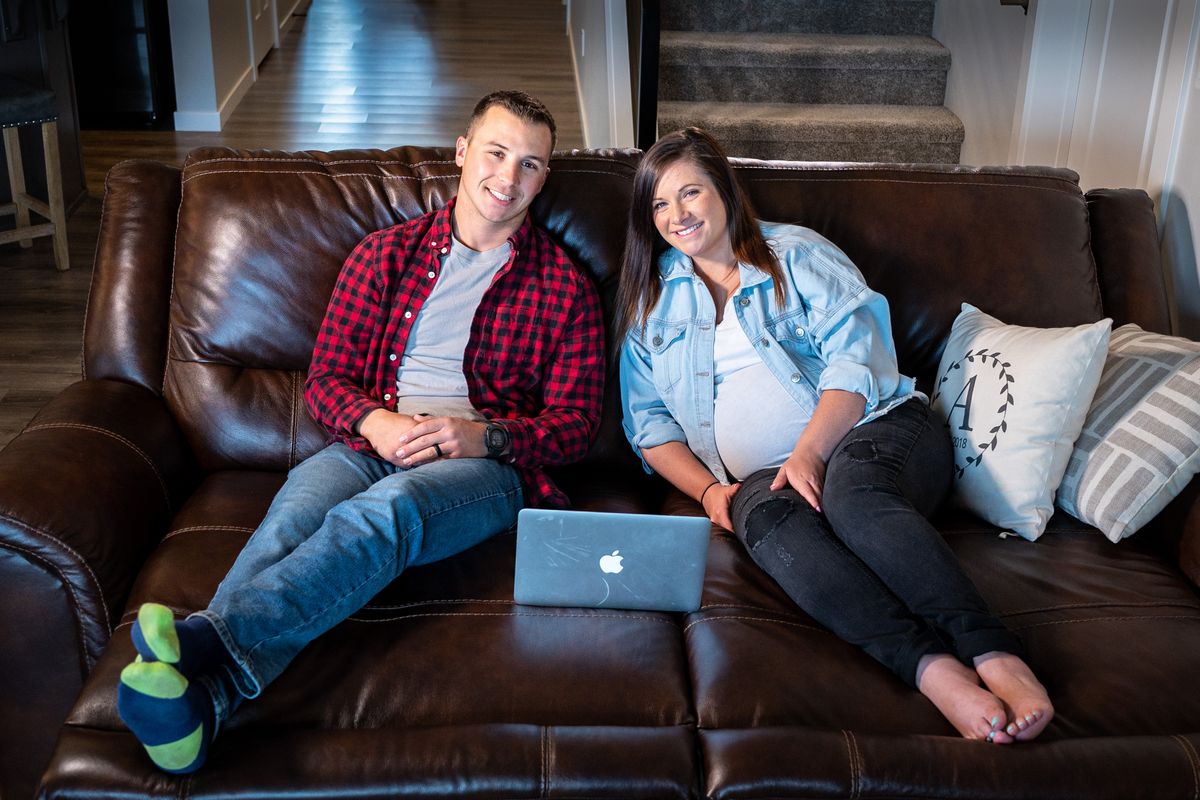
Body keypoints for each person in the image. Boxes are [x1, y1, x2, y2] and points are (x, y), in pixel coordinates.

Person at [116, 90, 605, 773]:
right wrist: (376, 423)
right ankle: (198, 708)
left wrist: (483, 437)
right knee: (291, 518)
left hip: (482, 472)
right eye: (496, 153)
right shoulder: (385, 255)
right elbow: (324, 381)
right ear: (462, 154)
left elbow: (577, 425)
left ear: (544, 176)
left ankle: (207, 643)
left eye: (531, 164)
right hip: (369, 446)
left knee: (390, 513)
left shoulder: (564, 287)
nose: (510, 176)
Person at [616, 127, 1053, 744]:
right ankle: (933, 671)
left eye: (690, 192)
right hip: (763, 479)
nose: (677, 214)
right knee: (767, 526)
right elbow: (649, 426)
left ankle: (993, 653)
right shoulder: (649, 301)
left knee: (854, 500)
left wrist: (810, 453)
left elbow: (859, 361)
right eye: (659, 203)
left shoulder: (794, 254)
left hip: (875, 429)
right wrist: (713, 493)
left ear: (724, 190)